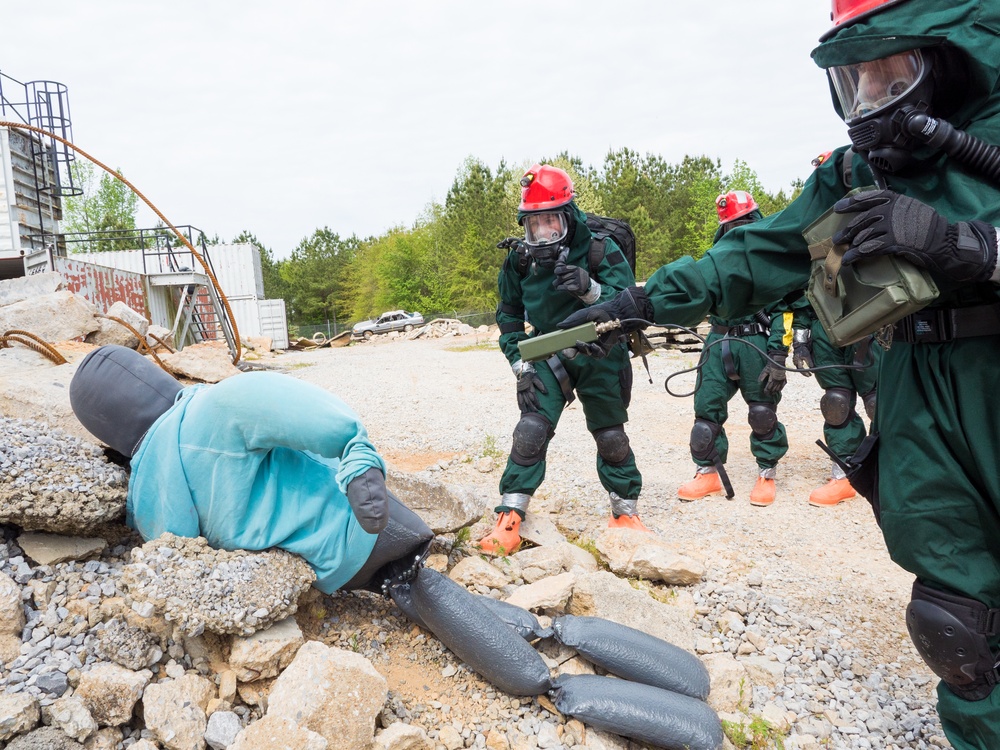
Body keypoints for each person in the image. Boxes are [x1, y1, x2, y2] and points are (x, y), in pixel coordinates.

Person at [559, 2, 1000, 746]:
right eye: (853, 80)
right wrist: (631, 303)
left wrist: (972, 247)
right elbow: (755, 255)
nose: (867, 100)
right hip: (916, 389)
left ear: (947, 59)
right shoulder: (856, 172)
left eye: (889, 73)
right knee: (954, 624)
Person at [69, 344, 434, 595]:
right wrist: (356, 457)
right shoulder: (213, 409)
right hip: (363, 524)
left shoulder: (149, 503)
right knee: (419, 576)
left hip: (329, 572)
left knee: (405, 585)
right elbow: (286, 405)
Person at [479, 164, 647, 555]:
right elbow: (507, 317)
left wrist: (590, 291)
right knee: (530, 429)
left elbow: (631, 305)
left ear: (569, 217)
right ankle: (510, 517)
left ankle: (626, 513)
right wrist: (519, 365)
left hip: (600, 352)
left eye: (551, 222)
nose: (542, 233)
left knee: (610, 436)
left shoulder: (600, 249)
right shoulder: (519, 261)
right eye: (533, 224)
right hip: (545, 352)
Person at [677, 191, 792, 507]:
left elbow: (786, 310)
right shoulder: (713, 260)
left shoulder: (771, 264)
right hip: (717, 341)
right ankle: (708, 473)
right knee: (706, 411)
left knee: (762, 413)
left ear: (755, 222)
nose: (738, 231)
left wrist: (779, 356)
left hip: (755, 343)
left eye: (743, 223)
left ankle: (766, 473)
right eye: (731, 226)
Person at [788, 291, 880, 507]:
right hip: (823, 328)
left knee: (879, 402)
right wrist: (800, 342)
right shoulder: (809, 255)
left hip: (867, 320)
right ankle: (845, 475)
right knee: (835, 404)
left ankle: (890, 469)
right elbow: (802, 296)